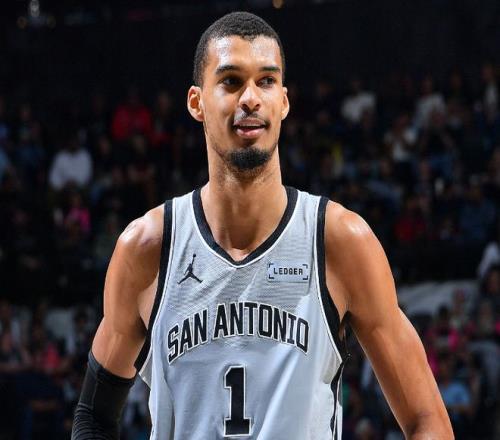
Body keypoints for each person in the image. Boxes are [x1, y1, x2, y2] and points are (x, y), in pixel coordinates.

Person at [72, 12, 452, 439]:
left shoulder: (340, 241)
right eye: (231, 81)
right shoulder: (147, 248)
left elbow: (427, 420)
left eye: (266, 81)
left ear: (284, 102)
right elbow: (93, 418)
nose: (250, 98)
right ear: (197, 102)